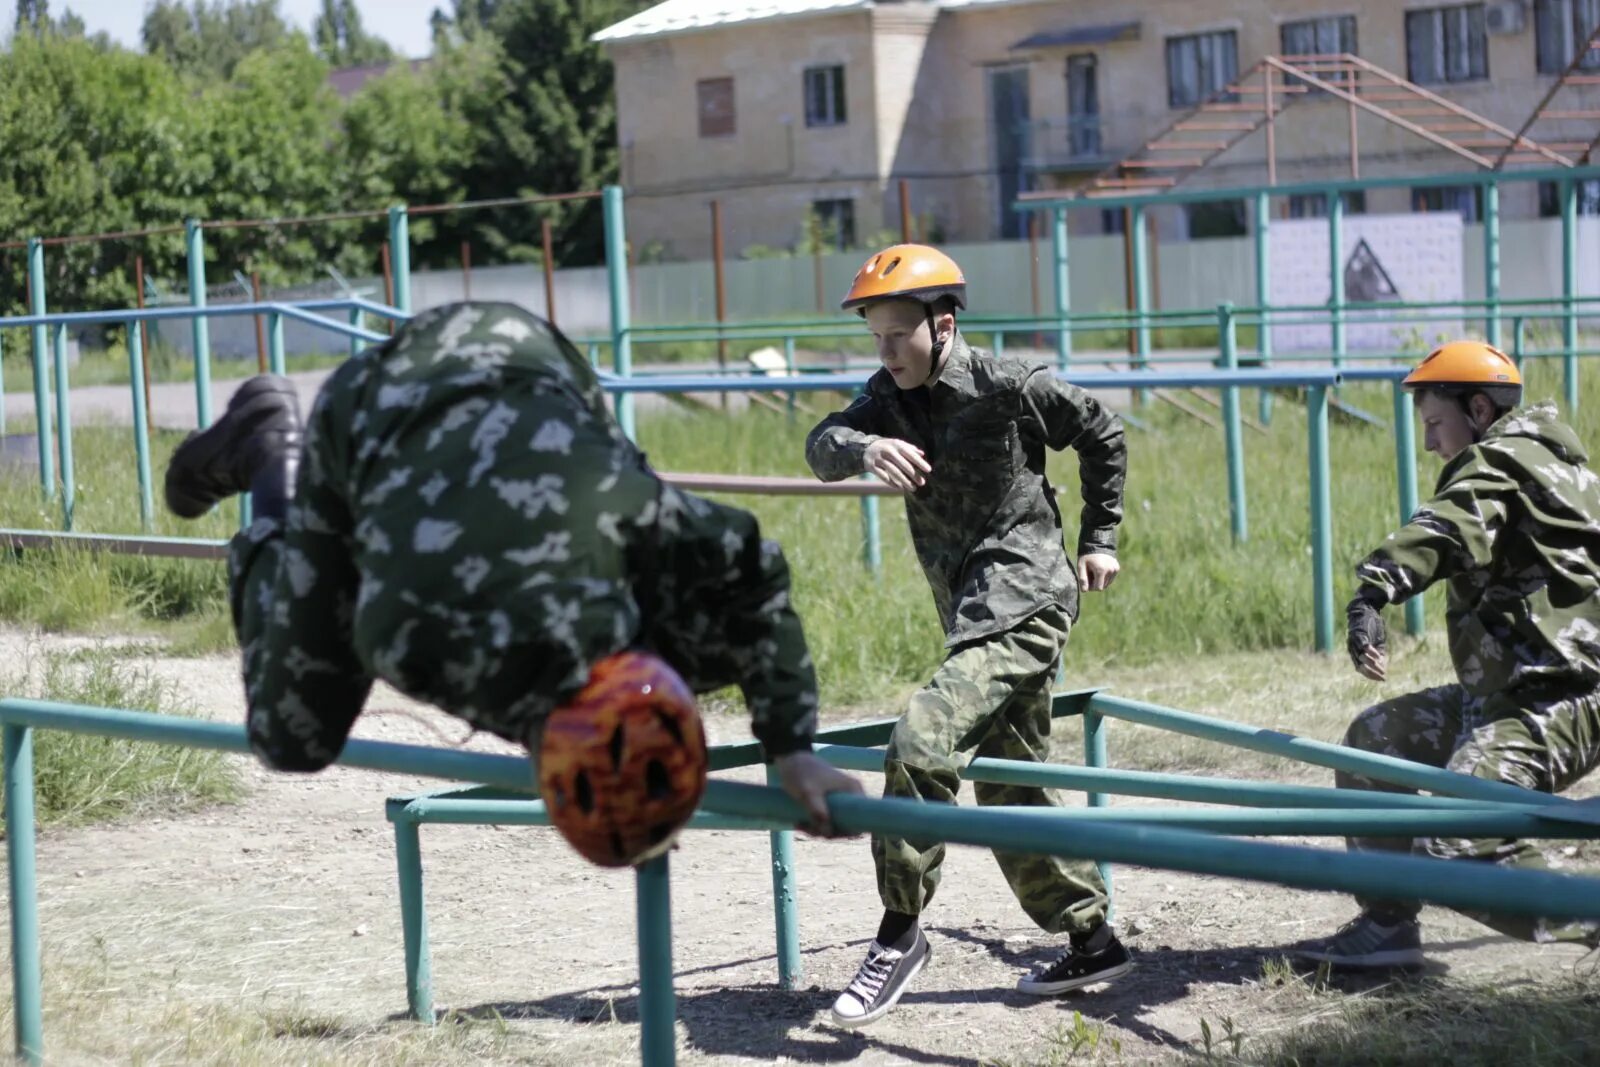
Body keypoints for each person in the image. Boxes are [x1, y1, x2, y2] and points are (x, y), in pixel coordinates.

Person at [163, 300, 862, 866]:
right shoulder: (411, 637)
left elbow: (754, 569)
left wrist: (790, 747)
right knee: (294, 733)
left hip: (526, 347)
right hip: (380, 402)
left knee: (717, 629)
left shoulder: (653, 535)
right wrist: (790, 744)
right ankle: (269, 442)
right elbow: (335, 626)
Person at [803, 244, 1132, 1028]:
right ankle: (1093, 938)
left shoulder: (1008, 386)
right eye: (876, 338)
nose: (886, 354)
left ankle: (899, 932)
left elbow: (1104, 432)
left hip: (1030, 599)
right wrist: (863, 446)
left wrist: (1101, 536)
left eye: (898, 337)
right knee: (1012, 782)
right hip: (970, 611)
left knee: (921, 743)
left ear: (942, 325)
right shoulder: (885, 398)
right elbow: (821, 445)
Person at [1298, 339, 1600, 969]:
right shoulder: (1540, 461)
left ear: (1481, 408)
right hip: (1507, 694)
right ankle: (1388, 928)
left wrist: (1373, 591)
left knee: (1460, 840)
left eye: (1436, 423)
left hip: (1560, 701)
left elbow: (1448, 527)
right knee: (1372, 744)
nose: (1431, 443)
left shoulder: (1507, 461)